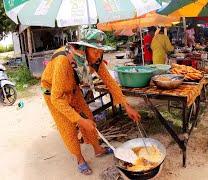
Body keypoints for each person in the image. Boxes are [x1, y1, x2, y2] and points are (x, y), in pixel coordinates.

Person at [41, 29, 141, 175]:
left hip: (73, 89)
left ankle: (98, 149)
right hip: (53, 94)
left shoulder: (95, 58)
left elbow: (110, 82)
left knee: (88, 116)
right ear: (84, 47)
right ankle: (79, 158)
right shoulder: (63, 60)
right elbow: (57, 98)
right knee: (68, 127)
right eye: (95, 51)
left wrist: (126, 106)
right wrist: (78, 120)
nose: (98, 56)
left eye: (101, 51)